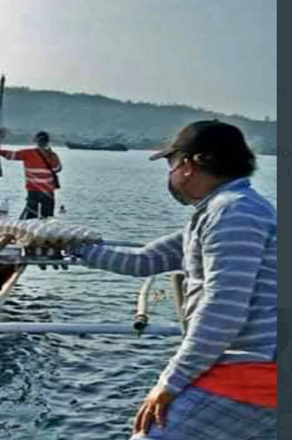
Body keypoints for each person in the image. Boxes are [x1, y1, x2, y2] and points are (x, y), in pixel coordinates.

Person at [66, 120, 277, 439]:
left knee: (153, 432)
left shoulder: (234, 213)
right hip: (240, 366)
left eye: (170, 163)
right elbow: (144, 260)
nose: (170, 173)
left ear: (188, 164)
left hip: (251, 371)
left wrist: (169, 382)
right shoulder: (218, 212)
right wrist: (71, 247)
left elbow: (223, 308)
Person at [0, 131, 62, 219]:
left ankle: (29, 228)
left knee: (31, 214)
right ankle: (44, 230)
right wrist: (51, 157)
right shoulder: (52, 155)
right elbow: (57, 169)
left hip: (33, 189)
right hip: (47, 190)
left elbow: (12, 155)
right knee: (47, 216)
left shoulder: (28, 153)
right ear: (47, 142)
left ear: (36, 141)